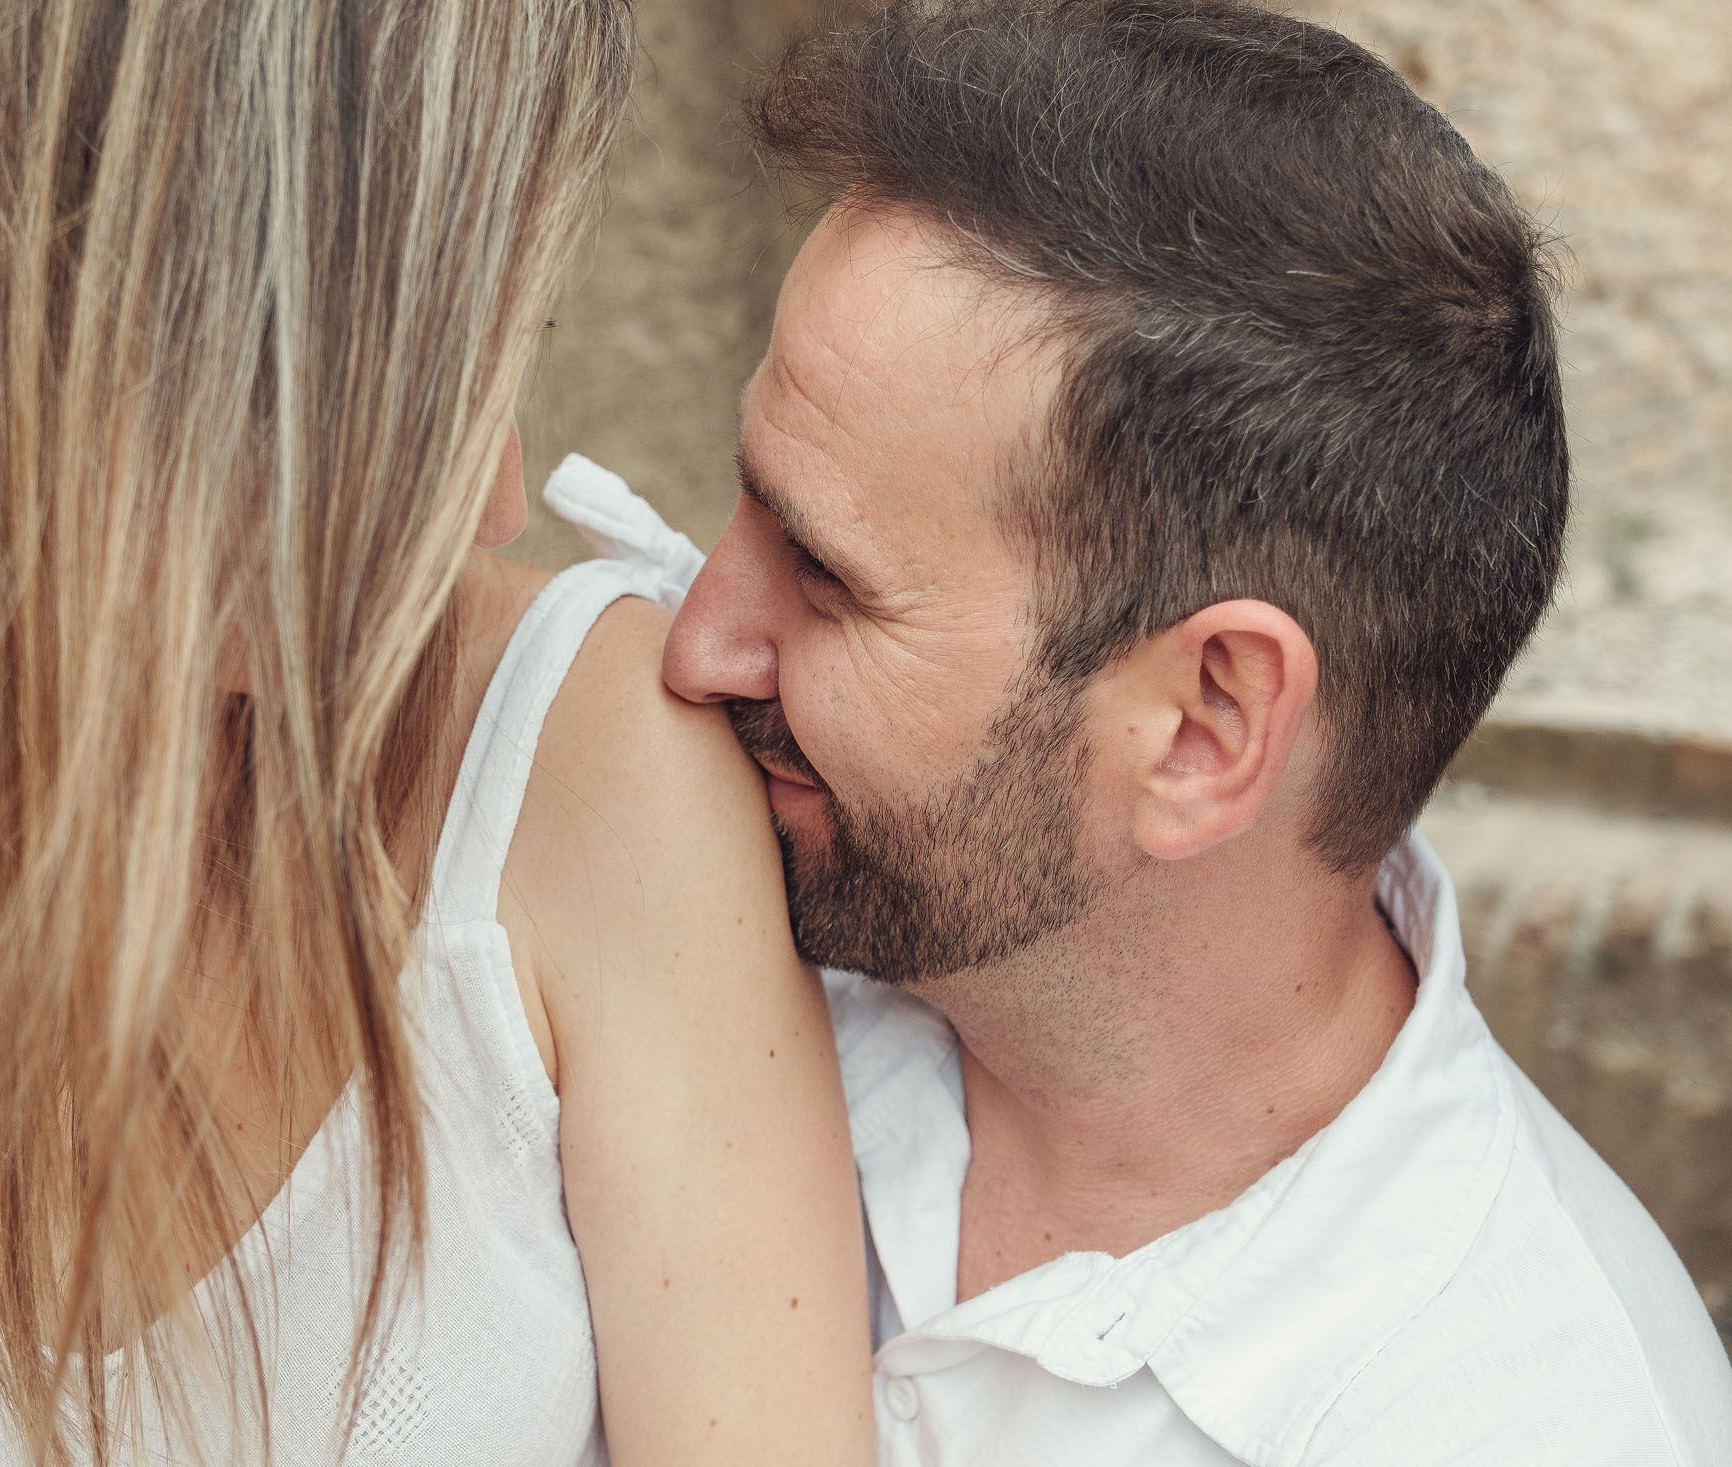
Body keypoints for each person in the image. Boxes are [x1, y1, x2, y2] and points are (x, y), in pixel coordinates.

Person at [0, 3, 874, 1465]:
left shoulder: (591, 762)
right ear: (41, 353)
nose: (493, 509)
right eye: (374, 408)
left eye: (509, 343)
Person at [655, 2, 1732, 1463]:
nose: (699, 641)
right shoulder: (654, 882)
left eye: (828, 578)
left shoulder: (1529, 1418)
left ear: (1204, 728)